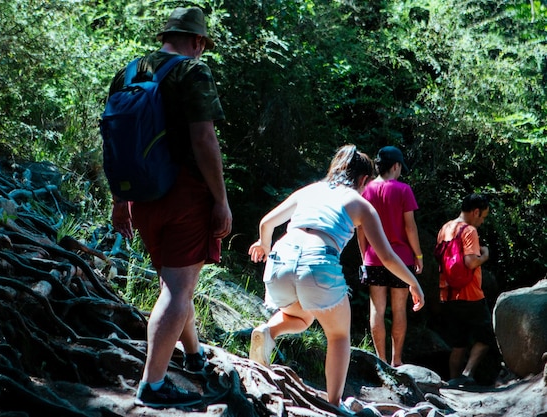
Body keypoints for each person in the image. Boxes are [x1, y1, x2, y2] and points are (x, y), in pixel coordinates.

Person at [108, 7, 232, 408]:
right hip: (185, 194)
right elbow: (204, 140)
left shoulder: (129, 71)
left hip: (142, 195)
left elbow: (115, 140)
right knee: (178, 290)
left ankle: (193, 355)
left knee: (175, 284)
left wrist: (119, 199)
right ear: (197, 41)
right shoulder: (192, 72)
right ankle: (154, 385)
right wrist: (221, 200)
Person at [248, 144, 425, 411]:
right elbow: (386, 256)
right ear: (363, 180)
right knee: (339, 335)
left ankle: (267, 331)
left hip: (280, 258)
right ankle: (333, 404)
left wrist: (263, 244)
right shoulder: (359, 203)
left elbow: (266, 223)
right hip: (317, 260)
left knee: (302, 316)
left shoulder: (310, 190)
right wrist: (413, 282)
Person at [356, 146, 423, 367]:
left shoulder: (366, 191)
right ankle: (396, 360)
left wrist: (364, 255)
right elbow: (410, 227)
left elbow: (361, 229)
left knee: (377, 308)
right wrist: (418, 255)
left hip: (373, 257)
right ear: (395, 166)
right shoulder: (404, 190)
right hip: (401, 259)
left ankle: (380, 360)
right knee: (399, 308)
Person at [436, 193, 494, 387]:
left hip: (448, 293)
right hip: (470, 295)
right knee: (486, 336)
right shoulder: (469, 231)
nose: (482, 221)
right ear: (475, 212)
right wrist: (485, 254)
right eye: (483, 216)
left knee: (458, 342)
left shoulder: (445, 228)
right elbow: (470, 262)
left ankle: (453, 383)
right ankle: (467, 374)